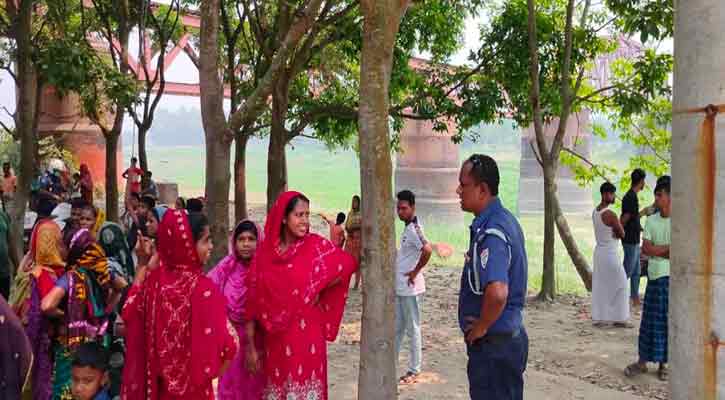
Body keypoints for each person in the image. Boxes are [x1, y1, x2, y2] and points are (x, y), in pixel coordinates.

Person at [244, 191, 358, 400]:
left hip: (308, 337)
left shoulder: (315, 246)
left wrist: (318, 288)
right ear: (284, 218)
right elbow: (252, 302)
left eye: (307, 214)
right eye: (299, 215)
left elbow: (347, 264)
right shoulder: (265, 255)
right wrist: (250, 346)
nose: (305, 221)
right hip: (275, 341)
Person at [122, 211, 238, 400]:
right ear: (187, 246)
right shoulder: (203, 289)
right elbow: (230, 347)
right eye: (205, 241)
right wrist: (208, 375)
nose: (211, 246)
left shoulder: (153, 283)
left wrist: (143, 264)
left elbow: (129, 311)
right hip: (196, 393)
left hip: (159, 393)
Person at [456, 154, 528, 400]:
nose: (458, 190)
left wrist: (481, 327)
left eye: (464, 185)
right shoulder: (504, 220)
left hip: (494, 347)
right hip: (503, 342)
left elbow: (497, 292)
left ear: (482, 189)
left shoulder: (493, 232)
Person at [41, 228, 127, 399]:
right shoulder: (101, 270)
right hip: (98, 341)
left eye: (62, 247)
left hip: (72, 344)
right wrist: (106, 310)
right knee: (94, 385)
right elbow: (122, 286)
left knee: (69, 387)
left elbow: (46, 305)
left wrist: (67, 315)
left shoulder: (71, 276)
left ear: (74, 250)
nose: (59, 251)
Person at [9, 196, 65, 400]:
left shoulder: (30, 270)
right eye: (58, 242)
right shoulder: (51, 275)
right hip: (44, 340)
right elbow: (48, 308)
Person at [208, 220, 265, 400]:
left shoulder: (265, 270)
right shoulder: (225, 268)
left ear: (259, 241)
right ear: (234, 242)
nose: (246, 244)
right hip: (231, 341)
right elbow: (206, 293)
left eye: (251, 239)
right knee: (231, 388)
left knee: (256, 388)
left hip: (259, 341)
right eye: (241, 239)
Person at [624, 178, 671, 382]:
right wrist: (667, 249)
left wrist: (657, 250)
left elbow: (677, 251)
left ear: (670, 196)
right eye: (656, 194)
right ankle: (642, 362)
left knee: (666, 321)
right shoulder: (651, 220)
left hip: (671, 280)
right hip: (654, 277)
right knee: (648, 322)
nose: (656, 199)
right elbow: (646, 249)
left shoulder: (681, 222)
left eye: (660, 195)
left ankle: (664, 364)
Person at [394, 190, 433, 384]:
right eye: (398, 208)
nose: (400, 212)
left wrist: (415, 272)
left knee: (413, 328)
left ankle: (414, 369)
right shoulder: (407, 227)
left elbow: (427, 249)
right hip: (402, 287)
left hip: (411, 288)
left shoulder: (414, 229)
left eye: (404, 208)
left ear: (413, 207)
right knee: (398, 328)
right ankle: (390, 362)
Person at [591, 182, 630, 327]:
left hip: (599, 252)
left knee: (601, 286)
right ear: (605, 194)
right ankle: (620, 318)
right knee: (622, 284)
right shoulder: (610, 214)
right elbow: (622, 233)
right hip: (609, 253)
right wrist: (619, 225)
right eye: (612, 194)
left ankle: (601, 317)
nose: (614, 197)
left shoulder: (595, 211)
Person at [620, 168, 647, 306]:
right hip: (629, 239)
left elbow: (632, 217)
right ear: (641, 181)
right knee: (628, 268)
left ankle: (635, 297)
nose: (644, 184)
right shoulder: (630, 197)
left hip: (635, 238)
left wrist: (640, 227)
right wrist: (618, 230)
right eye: (644, 181)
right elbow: (625, 217)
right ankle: (617, 294)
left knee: (636, 270)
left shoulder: (632, 196)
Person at [344, 195, 362, 289]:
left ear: (359, 203)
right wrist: (348, 230)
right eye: (353, 202)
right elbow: (347, 225)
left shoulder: (361, 214)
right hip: (350, 240)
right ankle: (346, 281)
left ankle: (356, 283)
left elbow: (363, 226)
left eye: (356, 202)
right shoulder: (350, 213)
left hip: (358, 241)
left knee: (357, 262)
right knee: (347, 261)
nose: (354, 204)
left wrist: (354, 228)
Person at [0, 207, 18, 299]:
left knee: (4, 307)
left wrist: (17, 265)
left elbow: (10, 242)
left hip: (4, 272)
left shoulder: (3, 215)